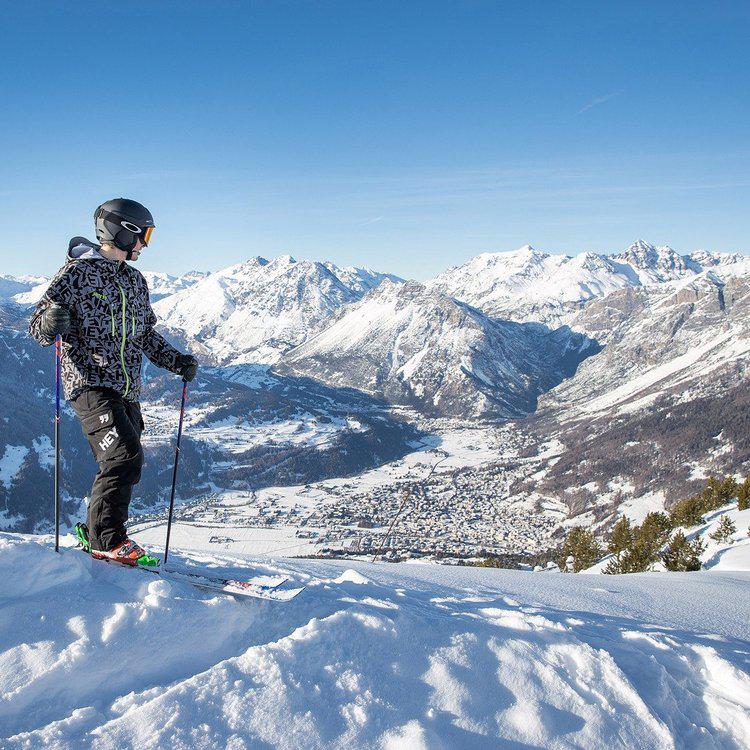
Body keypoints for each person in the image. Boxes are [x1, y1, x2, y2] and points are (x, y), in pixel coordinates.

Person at [28, 198, 198, 566]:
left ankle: (96, 533)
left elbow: (145, 336)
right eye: (144, 235)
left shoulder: (135, 280)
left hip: (126, 389)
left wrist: (177, 361)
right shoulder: (75, 274)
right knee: (124, 456)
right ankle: (108, 540)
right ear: (123, 230)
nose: (145, 245)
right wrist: (50, 323)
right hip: (89, 384)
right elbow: (38, 327)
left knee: (124, 462)